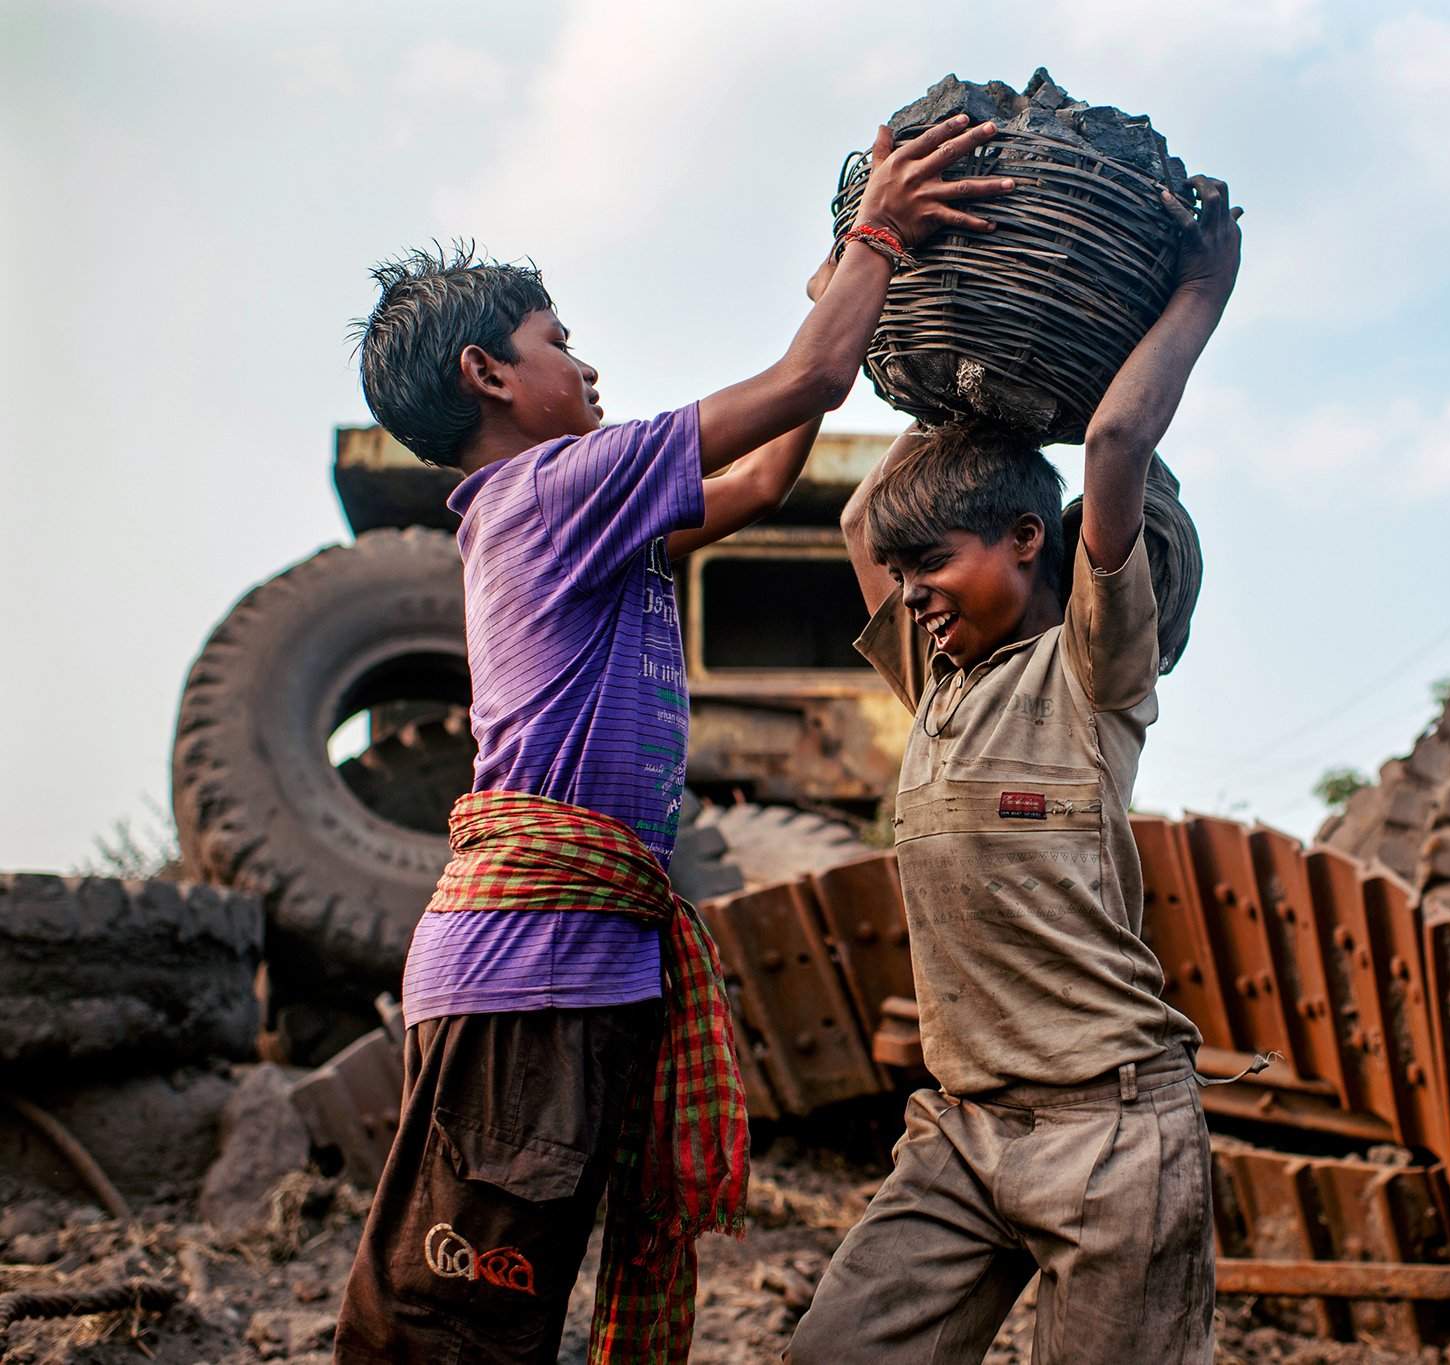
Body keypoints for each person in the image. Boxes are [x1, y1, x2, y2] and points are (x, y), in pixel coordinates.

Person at [331, 115, 1014, 1365]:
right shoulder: (552, 487)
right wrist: (875, 238)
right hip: (529, 977)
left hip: (577, 973)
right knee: (455, 1325)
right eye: (560, 342)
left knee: (517, 1291)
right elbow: (801, 383)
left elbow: (756, 484)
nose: (585, 366)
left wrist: (836, 293)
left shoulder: (576, 515)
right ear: (489, 374)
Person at [787, 174, 1244, 1365]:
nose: (913, 594)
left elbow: (1112, 442)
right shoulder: (932, 685)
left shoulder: (1093, 672)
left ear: (1028, 541)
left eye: (932, 565)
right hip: (957, 1133)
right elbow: (858, 527)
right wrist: (884, 295)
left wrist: (1200, 285)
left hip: (1110, 1135)